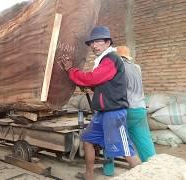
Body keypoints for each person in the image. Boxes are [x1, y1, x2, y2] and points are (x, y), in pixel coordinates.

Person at [60, 26, 140, 180]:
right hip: (102, 113)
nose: (94, 46)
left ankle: (147, 176)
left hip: (114, 113)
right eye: (91, 43)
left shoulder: (111, 59)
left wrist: (71, 70)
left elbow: (93, 78)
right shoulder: (103, 60)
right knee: (87, 139)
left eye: (98, 42)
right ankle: (89, 175)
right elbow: (99, 83)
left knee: (125, 150)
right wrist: (88, 85)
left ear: (108, 42)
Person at [116, 46, 156, 162]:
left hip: (128, 109)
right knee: (144, 140)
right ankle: (153, 166)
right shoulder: (136, 67)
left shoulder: (119, 67)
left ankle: (108, 170)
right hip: (140, 107)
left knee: (111, 137)